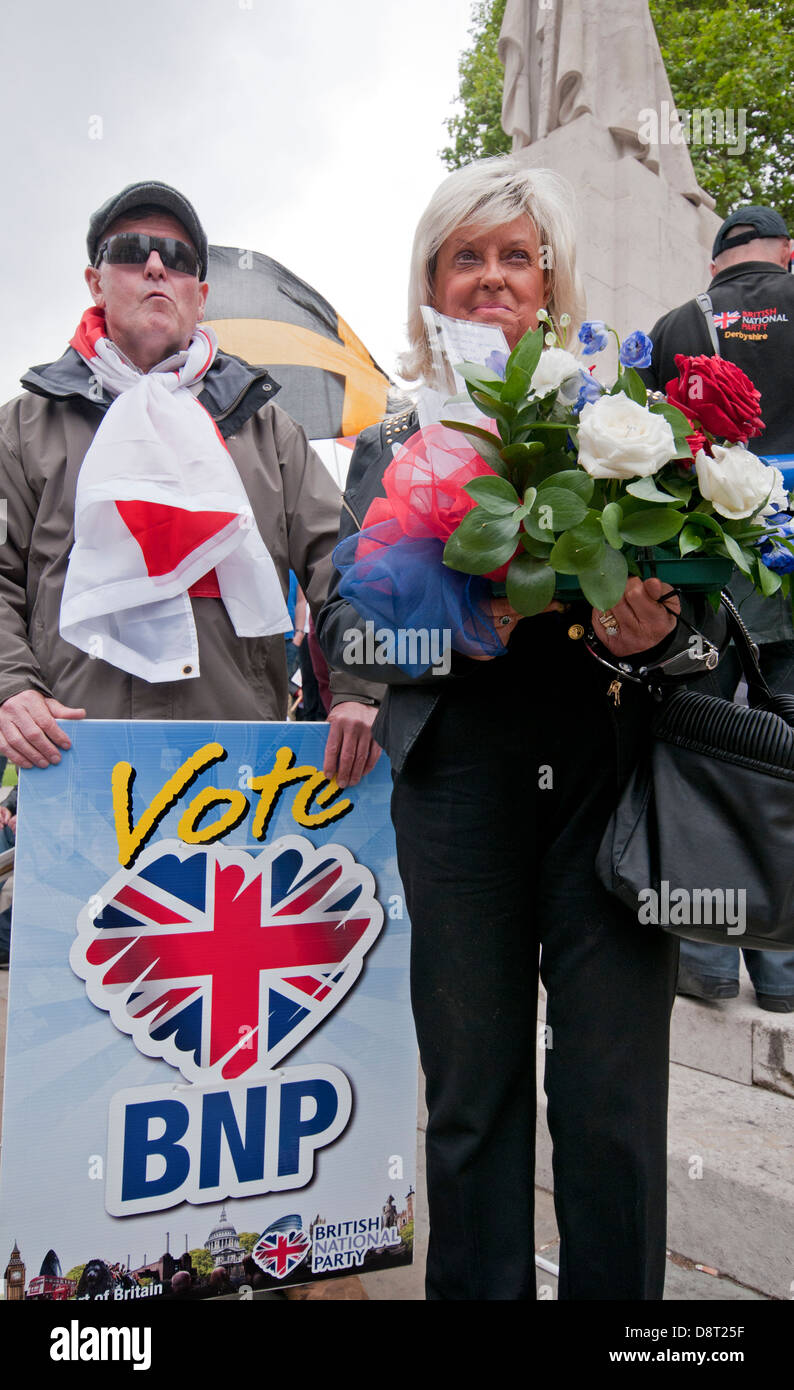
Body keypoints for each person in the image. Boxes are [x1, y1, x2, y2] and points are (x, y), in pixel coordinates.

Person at [318, 155, 729, 1301]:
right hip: (457, 798)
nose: (493, 278)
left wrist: (647, 636)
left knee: (609, 1100)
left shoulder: (623, 426)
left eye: (517, 256)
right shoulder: (391, 440)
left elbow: (702, 626)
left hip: (609, 795)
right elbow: (351, 637)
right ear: (431, 286)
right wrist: (472, 621)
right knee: (471, 1092)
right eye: (467, 258)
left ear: (553, 282)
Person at [0, 179, 379, 788]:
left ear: (199, 297)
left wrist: (362, 689)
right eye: (132, 250)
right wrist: (10, 688)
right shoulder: (23, 426)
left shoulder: (267, 431)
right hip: (75, 766)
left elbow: (348, 565)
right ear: (95, 282)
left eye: (177, 259)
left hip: (240, 772)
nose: (155, 265)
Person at [641, 204, 794, 1013]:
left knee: (700, 751)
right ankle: (784, 969)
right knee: (789, 753)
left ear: (714, 264)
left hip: (706, 577)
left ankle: (702, 958)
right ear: (786, 252)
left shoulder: (676, 324)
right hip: (792, 581)